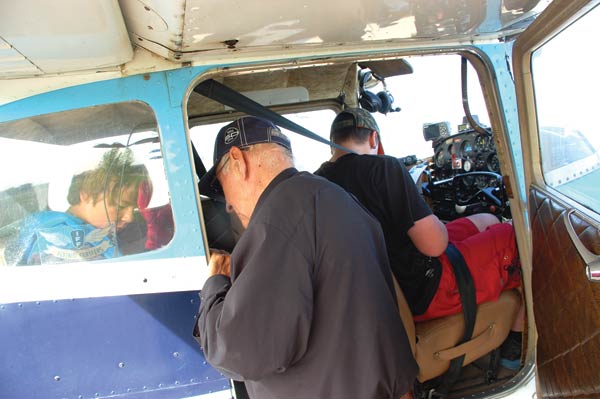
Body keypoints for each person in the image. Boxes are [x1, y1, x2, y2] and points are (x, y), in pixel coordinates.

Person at [194, 116, 417, 399]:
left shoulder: (274, 223)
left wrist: (215, 284)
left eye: (222, 185)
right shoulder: (335, 195)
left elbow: (241, 352)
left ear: (238, 161)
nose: (227, 203)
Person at [314, 108, 523, 368]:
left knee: (488, 220)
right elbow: (434, 245)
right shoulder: (385, 168)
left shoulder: (316, 184)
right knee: (514, 237)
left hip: (381, 291)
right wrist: (433, 221)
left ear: (333, 141)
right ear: (373, 139)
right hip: (423, 289)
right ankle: (515, 349)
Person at [9, 148, 151, 265]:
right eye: (120, 206)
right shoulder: (64, 242)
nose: (130, 217)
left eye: (134, 208)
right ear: (86, 194)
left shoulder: (90, 232)